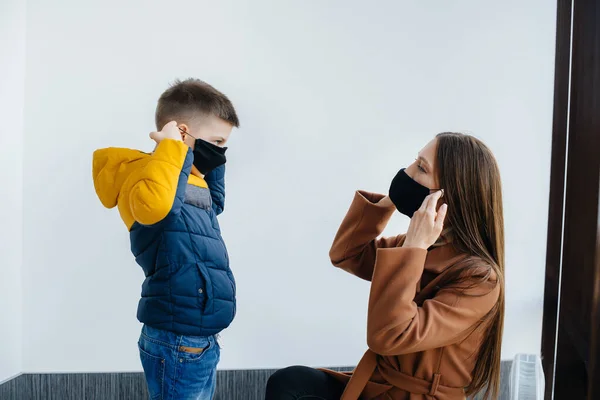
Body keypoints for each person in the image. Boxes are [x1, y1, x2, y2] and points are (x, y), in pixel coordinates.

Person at [266, 132, 505, 400]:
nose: (407, 171)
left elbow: (389, 336)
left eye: (421, 168)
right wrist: (391, 201)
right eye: (415, 161)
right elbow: (346, 254)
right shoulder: (419, 246)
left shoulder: (480, 279)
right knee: (291, 383)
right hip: (377, 386)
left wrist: (414, 249)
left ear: (448, 197)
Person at [92, 78, 239, 400]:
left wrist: (212, 166)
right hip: (177, 335)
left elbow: (213, 207)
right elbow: (155, 208)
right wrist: (172, 147)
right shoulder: (146, 174)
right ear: (183, 132)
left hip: (199, 334)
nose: (221, 149)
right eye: (216, 141)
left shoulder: (185, 178)